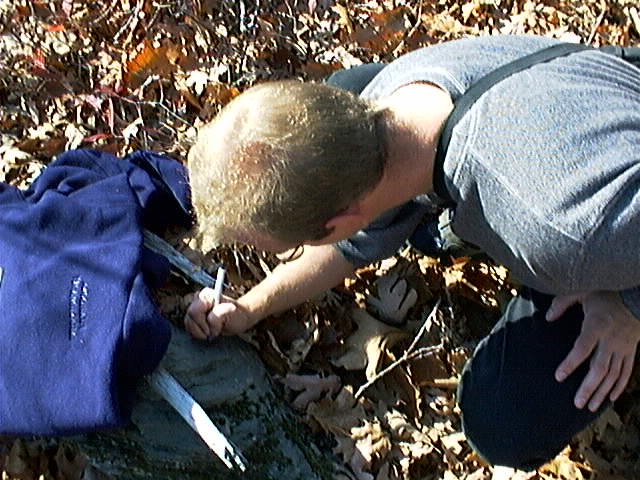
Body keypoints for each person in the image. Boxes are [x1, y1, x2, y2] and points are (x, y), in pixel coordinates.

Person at [183, 34, 640, 470]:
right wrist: (249, 308)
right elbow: (349, 244)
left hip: (600, 193)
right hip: (576, 110)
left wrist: (624, 303)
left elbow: (582, 226)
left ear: (341, 222)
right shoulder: (384, 105)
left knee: (505, 420)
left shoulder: (562, 231)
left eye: (302, 243)